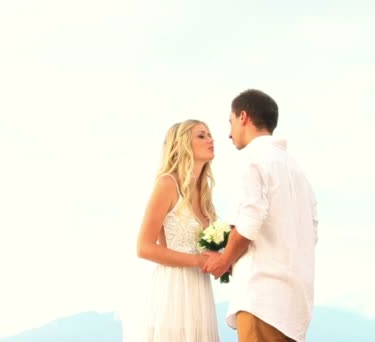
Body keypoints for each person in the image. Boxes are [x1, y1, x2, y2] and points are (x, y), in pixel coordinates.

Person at [203, 89, 318, 342]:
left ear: (243, 116)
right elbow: (312, 231)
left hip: (262, 298)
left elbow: (249, 222)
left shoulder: (252, 159)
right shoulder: (297, 170)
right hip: (295, 304)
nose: (229, 133)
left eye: (231, 122)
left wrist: (224, 261)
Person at [123, 119, 220, 342]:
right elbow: (144, 248)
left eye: (209, 134)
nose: (210, 139)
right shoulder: (167, 184)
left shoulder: (204, 193)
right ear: (183, 144)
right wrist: (198, 261)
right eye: (201, 135)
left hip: (199, 291)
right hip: (173, 291)